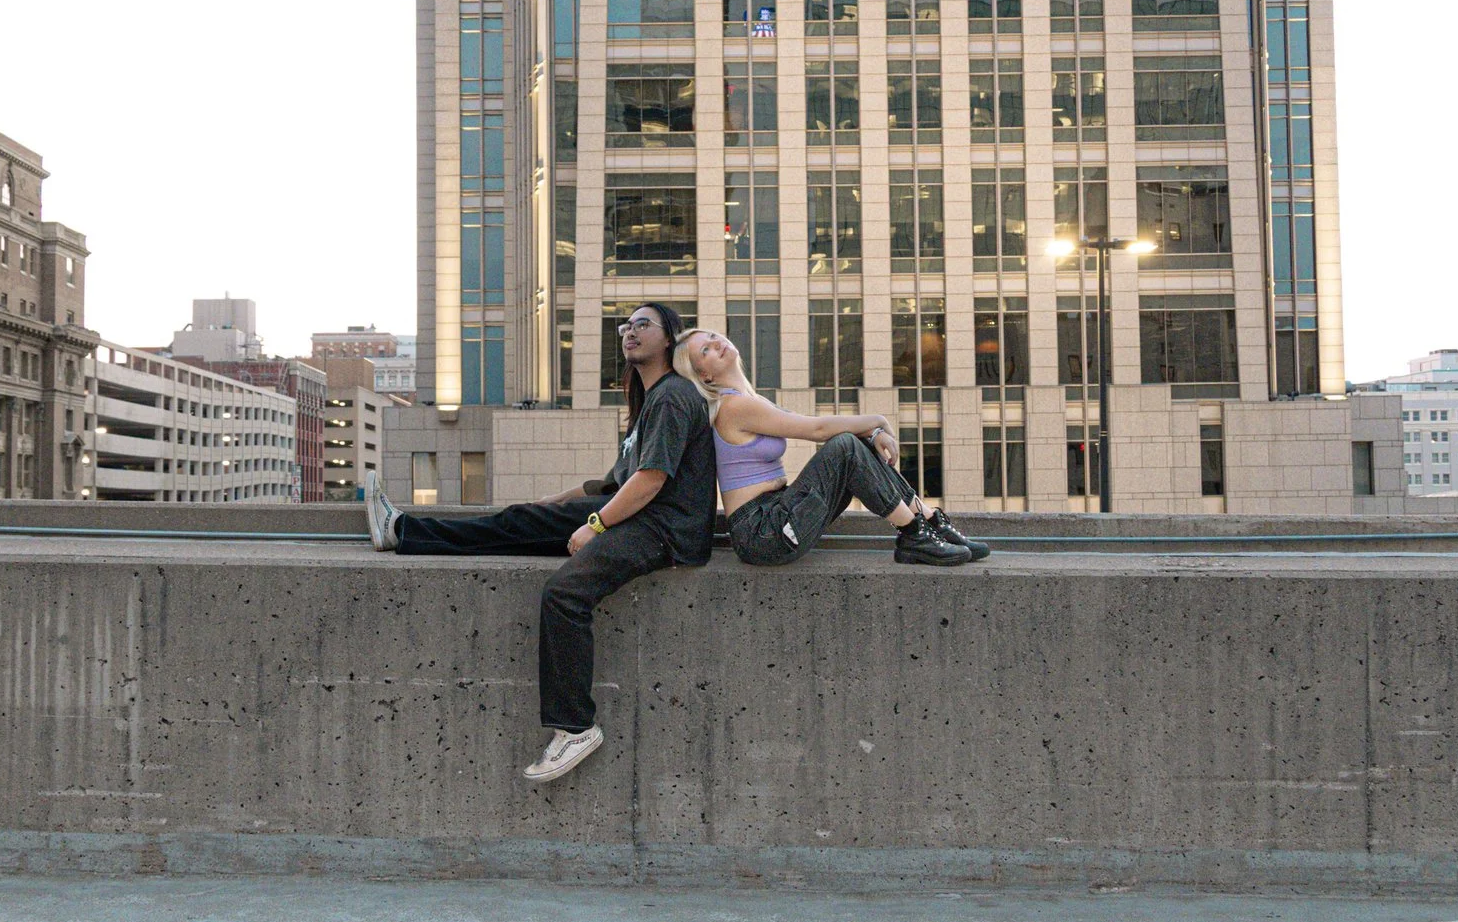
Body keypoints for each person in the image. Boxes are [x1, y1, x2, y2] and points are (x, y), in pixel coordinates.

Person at [362, 302, 716, 783]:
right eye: (625, 325)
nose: (629, 332)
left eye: (642, 325)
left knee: (565, 593)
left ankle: (575, 728)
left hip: (663, 530)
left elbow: (651, 480)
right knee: (518, 521)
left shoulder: (674, 397)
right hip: (634, 514)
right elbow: (611, 483)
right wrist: (554, 504)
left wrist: (594, 524)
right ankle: (400, 531)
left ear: (669, 338)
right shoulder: (648, 402)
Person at [670, 328, 989, 568]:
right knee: (846, 446)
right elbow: (816, 430)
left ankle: (930, 522)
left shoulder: (753, 401)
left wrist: (870, 432)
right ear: (704, 374)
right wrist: (876, 420)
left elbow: (817, 426)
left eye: (713, 337)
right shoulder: (731, 406)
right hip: (762, 532)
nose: (717, 344)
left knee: (854, 442)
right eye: (706, 351)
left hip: (778, 513)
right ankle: (913, 534)